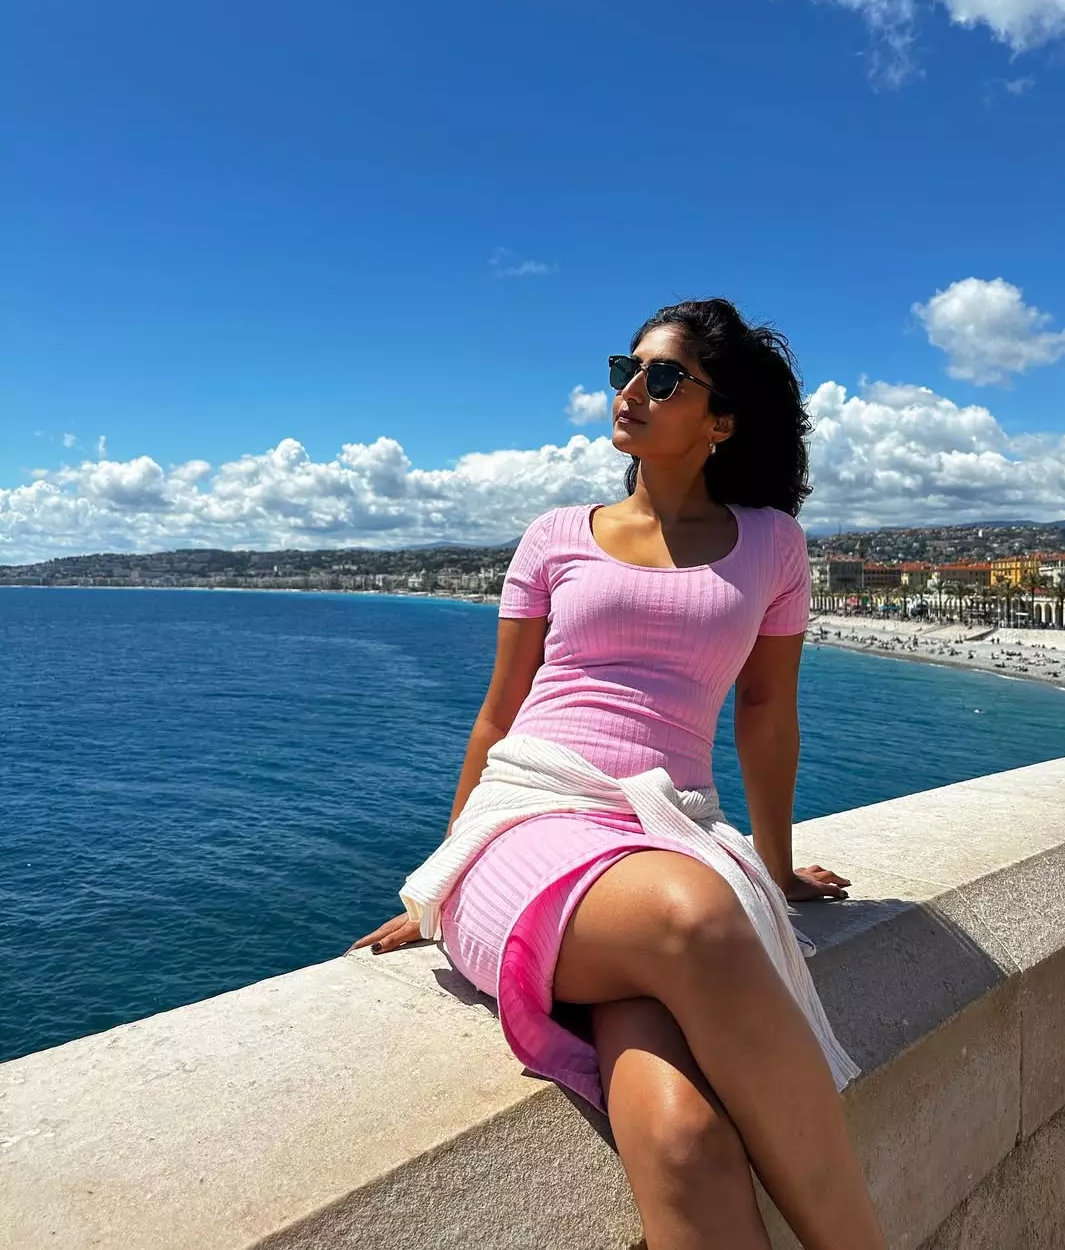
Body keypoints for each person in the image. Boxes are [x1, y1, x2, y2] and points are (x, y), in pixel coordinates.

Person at [352, 298, 886, 1250]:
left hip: (660, 835)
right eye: (626, 370)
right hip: (529, 822)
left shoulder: (773, 545)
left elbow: (767, 715)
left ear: (721, 421)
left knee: (685, 1142)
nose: (631, 390)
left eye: (664, 377)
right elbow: (500, 715)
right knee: (697, 917)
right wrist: (440, 879)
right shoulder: (556, 534)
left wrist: (773, 869)